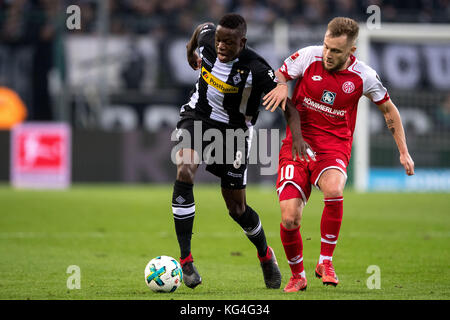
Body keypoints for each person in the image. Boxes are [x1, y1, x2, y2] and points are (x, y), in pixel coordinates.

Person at [262, 17, 415, 292]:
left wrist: (404, 152)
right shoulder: (308, 57)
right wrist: (282, 83)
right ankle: (298, 276)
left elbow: (389, 110)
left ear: (351, 51)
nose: (328, 54)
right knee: (289, 218)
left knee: (333, 189)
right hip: (296, 145)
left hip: (333, 147)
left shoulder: (364, 76)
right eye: (326, 46)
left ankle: (325, 260)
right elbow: (280, 73)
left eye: (336, 51)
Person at [171, 13, 309, 289]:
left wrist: (298, 138)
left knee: (236, 208)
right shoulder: (210, 37)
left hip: (234, 133)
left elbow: (289, 106)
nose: (220, 46)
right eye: (219, 40)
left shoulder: (258, 70)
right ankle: (186, 261)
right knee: (185, 168)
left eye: (228, 43)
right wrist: (189, 51)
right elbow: (199, 31)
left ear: (242, 42)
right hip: (198, 117)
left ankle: (265, 254)